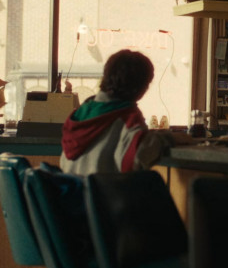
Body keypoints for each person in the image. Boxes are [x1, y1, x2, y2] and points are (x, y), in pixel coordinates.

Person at [60, 49, 196, 175]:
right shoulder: (126, 117)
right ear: (140, 88)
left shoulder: (81, 113)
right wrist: (170, 138)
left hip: (72, 199)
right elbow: (138, 154)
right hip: (104, 198)